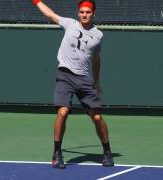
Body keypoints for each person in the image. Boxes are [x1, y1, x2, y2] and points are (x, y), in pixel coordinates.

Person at [32, 0, 114, 169]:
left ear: (93, 13)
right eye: (82, 12)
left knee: (97, 117)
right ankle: (56, 153)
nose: (84, 14)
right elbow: (50, 14)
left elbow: (96, 58)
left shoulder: (98, 35)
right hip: (65, 75)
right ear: (78, 13)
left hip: (85, 79)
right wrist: (37, 1)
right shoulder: (70, 24)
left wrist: (96, 81)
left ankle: (107, 152)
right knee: (63, 112)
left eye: (88, 12)